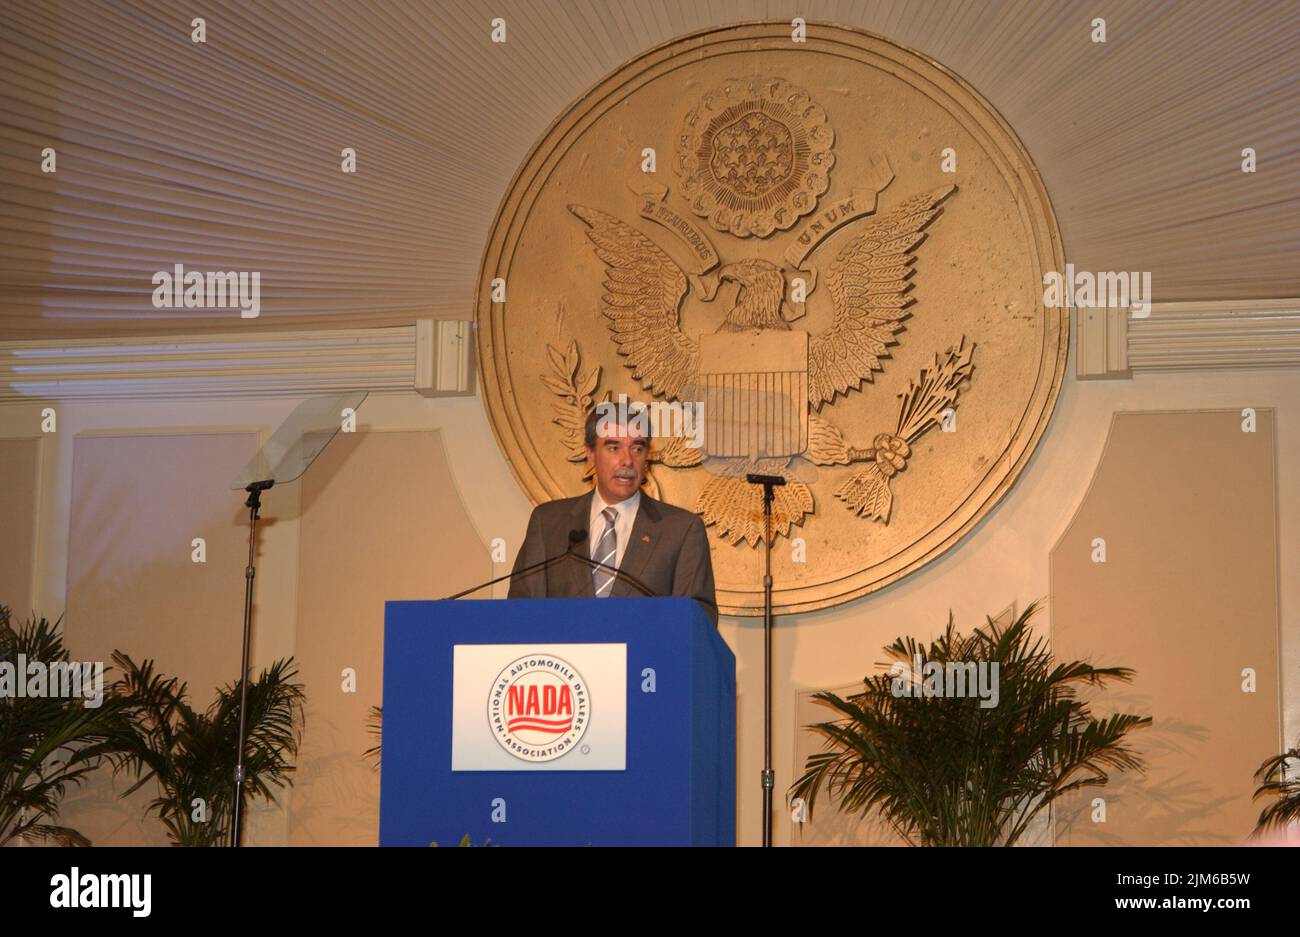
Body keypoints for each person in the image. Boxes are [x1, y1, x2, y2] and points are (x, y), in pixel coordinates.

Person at [507, 405, 719, 625]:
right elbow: (521, 611)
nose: (627, 460)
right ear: (590, 454)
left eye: (637, 448)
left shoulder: (681, 530)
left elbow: (698, 621)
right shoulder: (548, 523)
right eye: (614, 448)